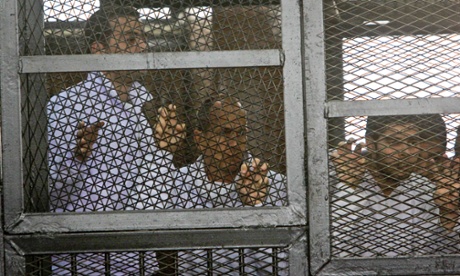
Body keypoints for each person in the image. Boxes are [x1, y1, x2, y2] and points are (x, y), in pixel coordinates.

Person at [47, 5, 184, 274]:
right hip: (81, 265)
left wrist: (164, 152)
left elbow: (151, 200)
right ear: (99, 49)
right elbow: (49, 196)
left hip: (137, 263)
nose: (143, 45)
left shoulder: (146, 106)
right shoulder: (66, 105)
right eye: (131, 39)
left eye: (143, 37)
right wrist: (77, 157)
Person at [176, 96, 288, 274]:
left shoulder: (275, 185)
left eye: (241, 133)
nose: (235, 143)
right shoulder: (178, 183)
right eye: (224, 133)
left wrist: (257, 208)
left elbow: (285, 270)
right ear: (200, 139)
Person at [330, 114, 459, 257]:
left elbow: (440, 260)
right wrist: (348, 188)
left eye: (412, 142)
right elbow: (324, 255)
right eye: (394, 141)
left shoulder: (425, 191)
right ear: (371, 143)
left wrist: (448, 217)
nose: (405, 152)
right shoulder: (330, 179)